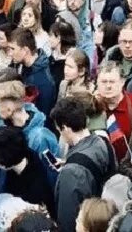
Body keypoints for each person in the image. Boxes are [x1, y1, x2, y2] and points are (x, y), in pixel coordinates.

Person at [51, 97, 117, 232]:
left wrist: (70, 167)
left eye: (59, 130)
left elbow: (67, 221)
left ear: (65, 127)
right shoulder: (103, 141)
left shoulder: (71, 172)